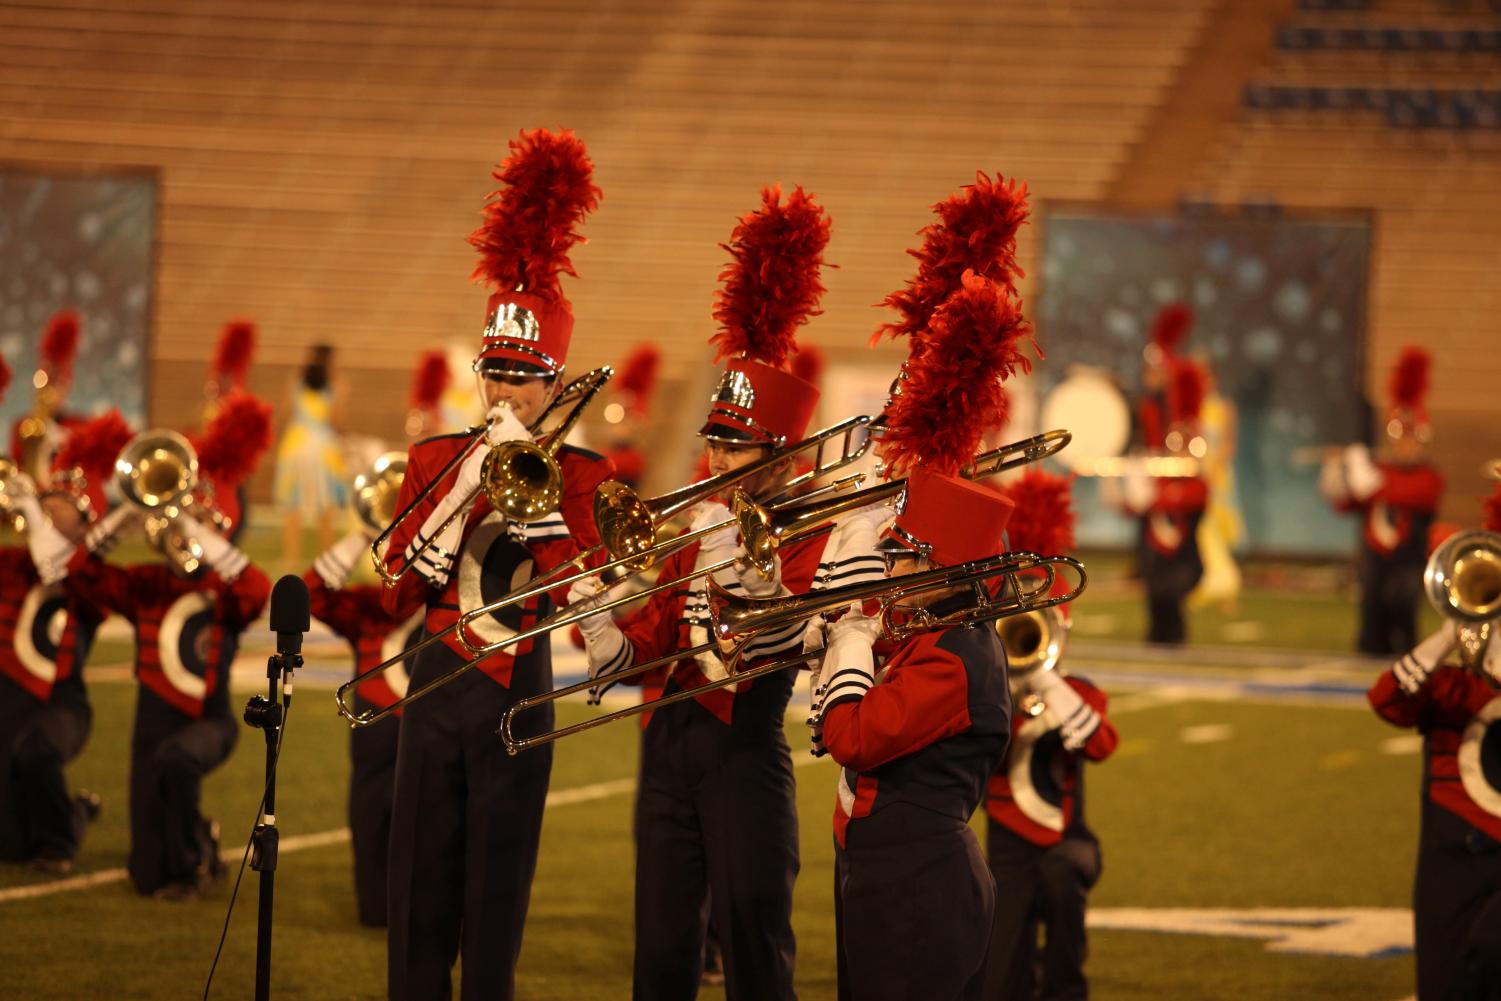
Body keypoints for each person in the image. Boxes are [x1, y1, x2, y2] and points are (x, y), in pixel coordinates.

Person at [576, 185, 832, 1001]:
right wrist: (600, 621)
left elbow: (791, 633)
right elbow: (656, 634)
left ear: (778, 452)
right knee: (659, 946)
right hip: (664, 743)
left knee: (754, 941)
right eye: (717, 443)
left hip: (740, 748)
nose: (721, 460)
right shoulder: (694, 515)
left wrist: (742, 565)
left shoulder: (802, 532)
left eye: (738, 446)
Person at [379, 127, 611, 1001]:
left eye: (525, 378)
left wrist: (532, 490)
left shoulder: (587, 472)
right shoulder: (437, 455)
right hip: (436, 675)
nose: (507, 393)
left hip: (524, 683)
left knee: (496, 886)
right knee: (418, 882)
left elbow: (583, 591)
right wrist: (474, 472)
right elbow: (400, 577)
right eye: (497, 374)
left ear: (554, 385)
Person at [41, 422, 271, 900]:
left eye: (205, 523)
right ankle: (201, 838)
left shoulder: (222, 589)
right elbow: (79, 577)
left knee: (179, 759)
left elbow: (258, 591)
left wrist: (191, 524)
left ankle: (192, 867)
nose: (188, 530)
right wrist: (123, 513)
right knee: (144, 873)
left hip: (209, 718)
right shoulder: (147, 582)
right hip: (151, 722)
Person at [811, 469, 1017, 1001]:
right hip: (894, 871)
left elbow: (854, 738)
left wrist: (851, 647)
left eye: (904, 556)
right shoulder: (937, 634)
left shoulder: (954, 656)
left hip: (918, 883)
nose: (891, 568)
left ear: (944, 568)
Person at [984, 469, 1119, 1001]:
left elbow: (1101, 744)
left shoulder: (1080, 691)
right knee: (1000, 986)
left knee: (1065, 877)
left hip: (1068, 842)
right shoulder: (989, 695)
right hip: (1005, 854)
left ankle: (1066, 986)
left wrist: (1045, 679)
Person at [1368, 535, 1501, 1001]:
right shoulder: (1453, 688)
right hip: (1454, 850)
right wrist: (1451, 631)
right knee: (1442, 980)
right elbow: (1387, 700)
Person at [0, 407, 125, 874]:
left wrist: (31, 510)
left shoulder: (93, 575)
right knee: (11, 844)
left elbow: (60, 570)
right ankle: (74, 810)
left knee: (36, 752)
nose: (49, 509)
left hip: (61, 700)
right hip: (10, 694)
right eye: (46, 501)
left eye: (61, 506)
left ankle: (62, 838)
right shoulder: (15, 564)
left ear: (86, 524)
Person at [303, 457, 424, 926]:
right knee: (371, 824)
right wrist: (364, 532)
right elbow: (310, 593)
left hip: (425, 731)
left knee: (424, 828)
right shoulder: (367, 609)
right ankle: (376, 908)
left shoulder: (443, 605)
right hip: (373, 733)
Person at [1321, 346, 1444, 655]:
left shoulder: (1428, 475)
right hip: (1374, 557)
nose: (1403, 446)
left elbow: (1411, 496)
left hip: (1409, 557)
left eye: (1410, 438)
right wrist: (1336, 474)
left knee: (1402, 606)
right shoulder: (1380, 472)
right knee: (1372, 612)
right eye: (1399, 438)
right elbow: (1347, 505)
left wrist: (1364, 472)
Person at [1123, 356, 1209, 645]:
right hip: (1156, 498)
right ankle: (1159, 637)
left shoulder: (1181, 418)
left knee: (1173, 588)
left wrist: (1163, 494)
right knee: (1154, 587)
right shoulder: (1144, 410)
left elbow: (1198, 486)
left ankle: (1173, 637)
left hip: (1177, 513)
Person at [274, 341, 347, 569]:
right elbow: (335, 420)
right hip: (323, 448)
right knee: (326, 506)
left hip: (296, 444)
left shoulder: (296, 380)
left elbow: (286, 411)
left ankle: (291, 558)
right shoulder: (337, 383)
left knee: (292, 506)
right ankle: (327, 558)